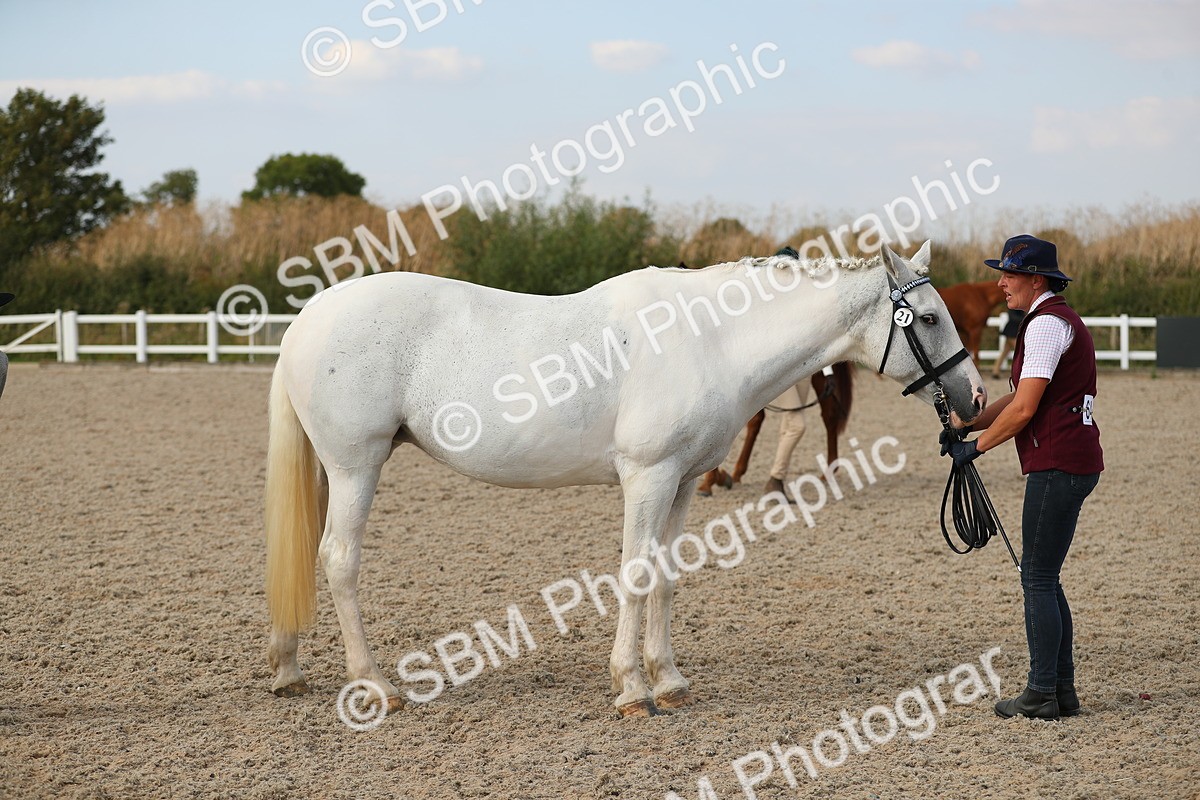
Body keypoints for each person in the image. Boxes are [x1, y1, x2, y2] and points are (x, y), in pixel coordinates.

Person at [946, 234, 1103, 720]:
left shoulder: (1045, 327)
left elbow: (1027, 410)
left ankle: (1040, 693)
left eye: (1009, 276)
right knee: (1046, 578)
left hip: (1057, 463)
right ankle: (1061, 690)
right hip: (1070, 460)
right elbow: (1016, 401)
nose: (1000, 284)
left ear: (1036, 280)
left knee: (1036, 577)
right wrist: (968, 423)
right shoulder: (1053, 321)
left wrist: (975, 449)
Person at [762, 380, 813, 497]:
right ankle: (776, 477)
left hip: (805, 372)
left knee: (788, 425)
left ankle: (776, 486)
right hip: (783, 371)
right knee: (797, 426)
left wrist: (828, 373)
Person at [992, 308, 1025, 378]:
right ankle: (1020, 371)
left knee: (1005, 352)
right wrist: (1024, 318)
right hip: (1012, 332)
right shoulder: (1013, 308)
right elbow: (1013, 318)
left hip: (1013, 332)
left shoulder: (1021, 308)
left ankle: (995, 370)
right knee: (1020, 352)